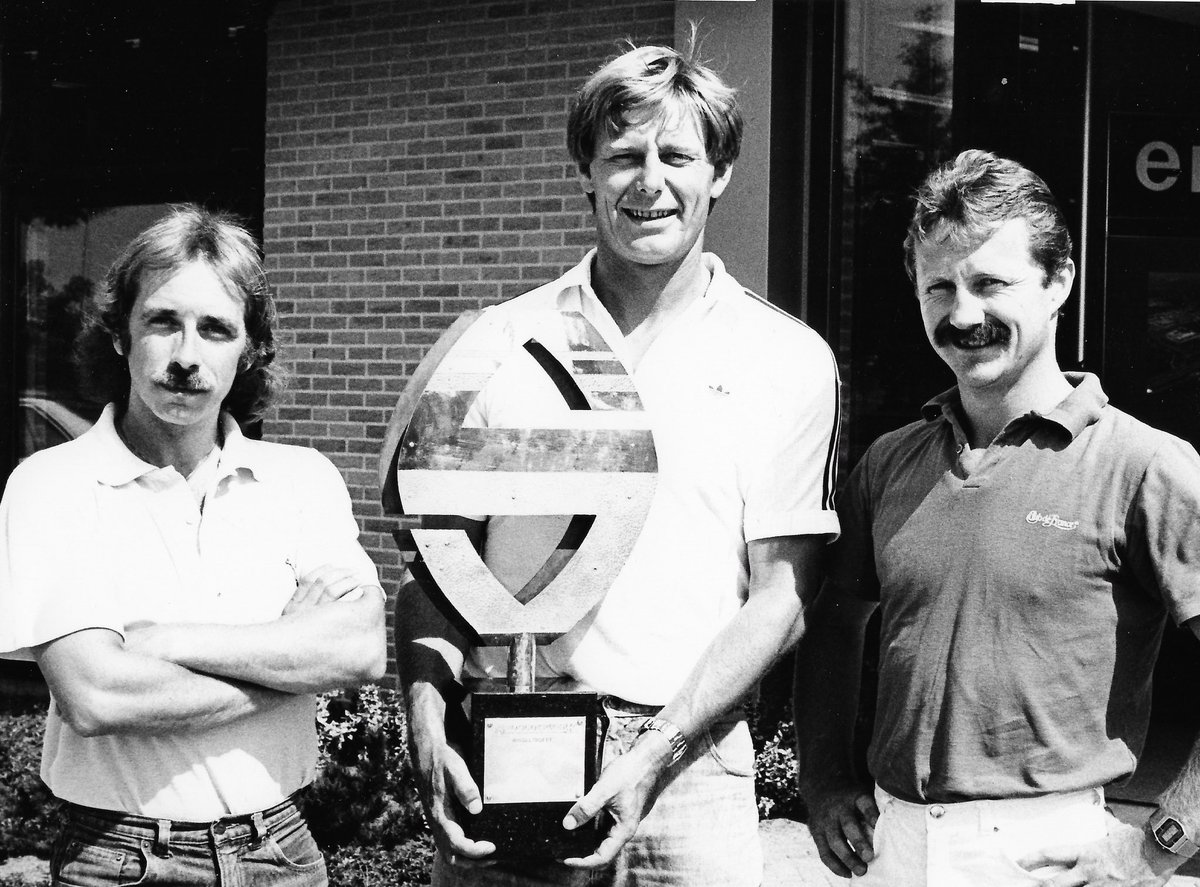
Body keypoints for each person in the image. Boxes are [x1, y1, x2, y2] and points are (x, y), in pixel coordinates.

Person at [397, 44, 841, 886]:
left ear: (722, 173)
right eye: (623, 156)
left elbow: (783, 595)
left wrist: (655, 752)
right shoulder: (497, 343)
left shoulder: (787, 356)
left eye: (676, 155)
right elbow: (434, 569)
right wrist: (424, 717)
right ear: (587, 172)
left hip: (693, 766)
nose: (649, 182)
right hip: (510, 749)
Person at [793, 149, 1200, 886]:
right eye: (939, 286)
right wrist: (821, 783)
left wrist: (1161, 839)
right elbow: (831, 625)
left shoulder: (1145, 465)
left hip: (1052, 855)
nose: (963, 314)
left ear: (1059, 282)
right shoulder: (890, 463)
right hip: (893, 844)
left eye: (990, 284)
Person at [0, 205, 387, 887]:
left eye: (215, 329)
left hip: (282, 854)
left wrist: (163, 639)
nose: (185, 356)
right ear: (121, 334)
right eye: (162, 321)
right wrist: (292, 657)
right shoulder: (51, 484)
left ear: (250, 348)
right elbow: (97, 695)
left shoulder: (301, 479)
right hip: (115, 859)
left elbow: (358, 650)